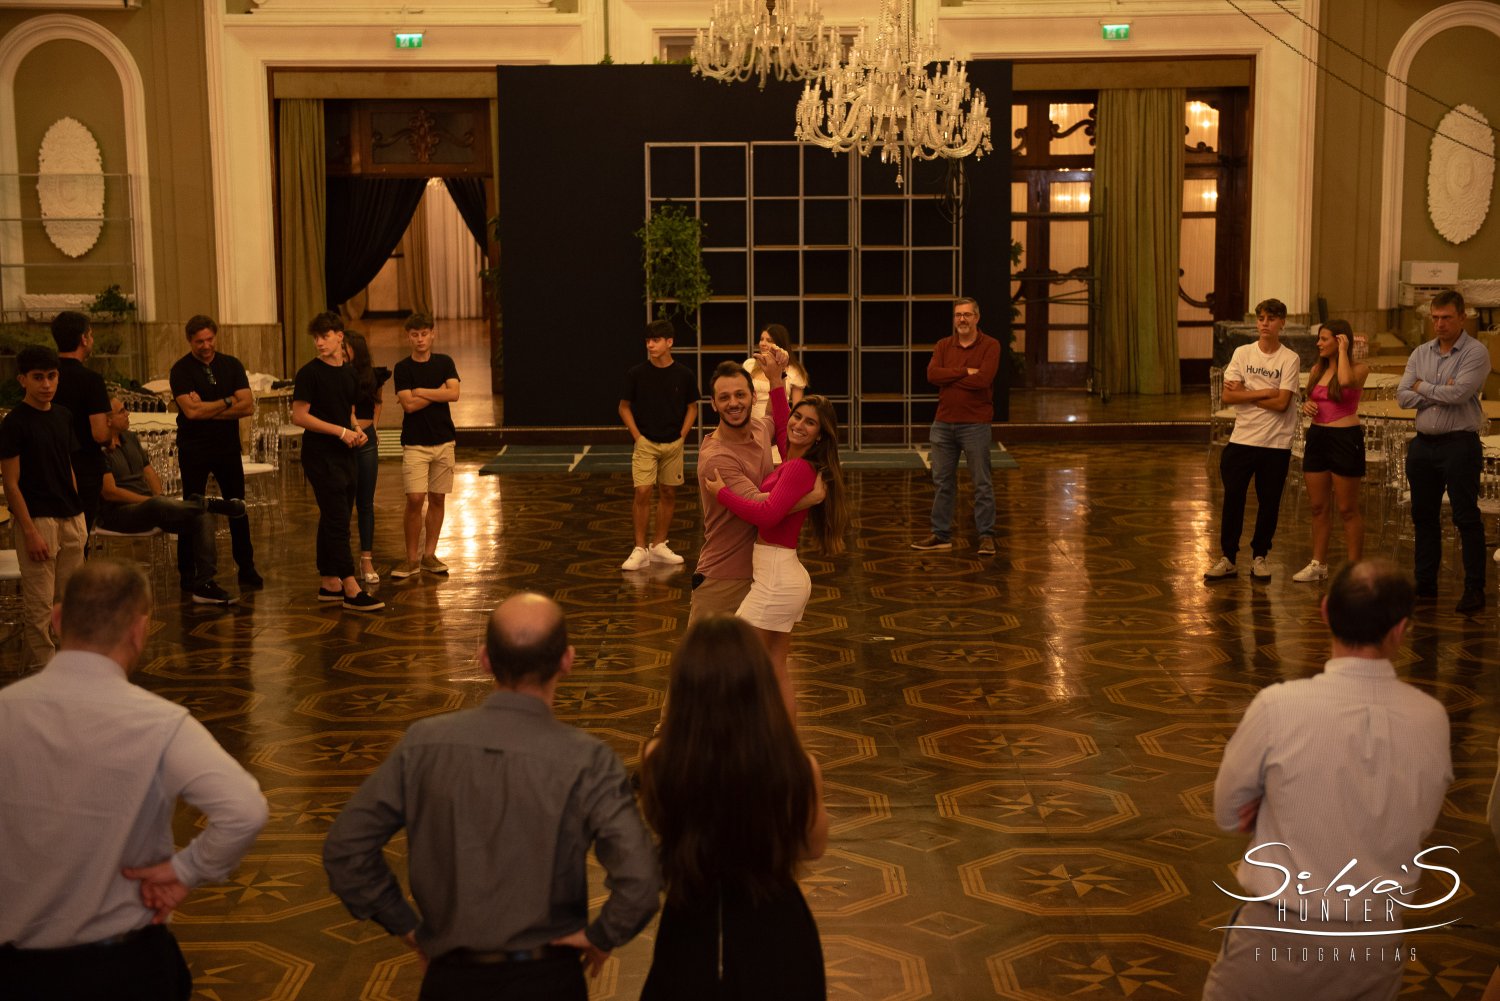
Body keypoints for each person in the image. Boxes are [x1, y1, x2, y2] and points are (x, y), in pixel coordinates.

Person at [323, 592, 660, 1001]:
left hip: (451, 980)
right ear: (567, 661)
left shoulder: (423, 744)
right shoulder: (589, 760)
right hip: (549, 979)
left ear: (484, 659)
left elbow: (347, 848)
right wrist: (602, 935)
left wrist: (407, 927)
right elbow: (640, 880)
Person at [0, 559, 268, 1001]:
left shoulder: (6, 711)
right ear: (140, 630)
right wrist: (186, 871)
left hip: (14, 971)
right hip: (125, 968)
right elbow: (245, 809)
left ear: (58, 619)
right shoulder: (160, 722)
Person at [1203, 559, 1452, 1001]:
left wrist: (1272, 803)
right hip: (1375, 944)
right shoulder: (1431, 719)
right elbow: (1420, 821)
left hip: (1277, 937)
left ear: (1324, 612)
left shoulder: (1279, 706)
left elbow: (1227, 813)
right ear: (1400, 629)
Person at [639, 615, 828, 1001]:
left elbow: (660, 824)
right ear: (759, 684)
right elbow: (812, 847)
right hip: (776, 926)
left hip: (691, 923)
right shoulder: (796, 765)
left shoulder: (658, 759)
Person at [705, 394, 847, 718]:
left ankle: (748, 735)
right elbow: (785, 429)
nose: (799, 425)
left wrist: (722, 494)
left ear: (820, 435)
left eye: (810, 423)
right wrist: (776, 384)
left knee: (735, 655)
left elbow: (768, 515)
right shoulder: (795, 460)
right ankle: (784, 742)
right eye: (798, 416)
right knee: (774, 665)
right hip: (783, 575)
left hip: (777, 581)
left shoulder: (796, 468)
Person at [99, 397, 245, 606]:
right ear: (108, 420)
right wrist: (151, 501)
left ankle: (205, 584)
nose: (128, 413)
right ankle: (206, 502)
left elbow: (149, 472)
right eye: (122, 411)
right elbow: (110, 493)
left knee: (201, 517)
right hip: (118, 513)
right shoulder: (98, 447)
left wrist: (158, 495)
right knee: (159, 504)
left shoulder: (130, 437)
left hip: (150, 507)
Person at [1397, 289, 1489, 614]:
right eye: (1435, 318)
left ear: (1462, 317)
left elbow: (1460, 393)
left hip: (1459, 445)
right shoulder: (1421, 352)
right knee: (1423, 516)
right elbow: (1402, 396)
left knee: (1466, 517)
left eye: (1446, 318)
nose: (1439, 324)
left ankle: (1474, 589)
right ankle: (1425, 583)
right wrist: (1439, 390)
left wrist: (1421, 387)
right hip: (1423, 445)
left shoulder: (1476, 352)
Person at [690, 350, 798, 624]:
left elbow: (776, 418)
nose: (733, 403)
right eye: (724, 397)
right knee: (705, 654)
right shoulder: (717, 458)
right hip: (724, 580)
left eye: (740, 395)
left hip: (763, 574)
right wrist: (812, 494)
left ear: (753, 397)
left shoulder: (759, 430)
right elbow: (763, 507)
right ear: (713, 404)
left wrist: (776, 377)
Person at [0, 344, 87, 668]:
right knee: (39, 608)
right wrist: (29, 531)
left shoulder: (63, 415)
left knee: (72, 603)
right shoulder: (15, 422)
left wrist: (78, 513)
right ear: (23, 379)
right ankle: (45, 674)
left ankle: (72, 667)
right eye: (38, 377)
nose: (46, 384)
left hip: (71, 517)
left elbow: (67, 466)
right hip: (38, 521)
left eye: (52, 376)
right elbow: (11, 483)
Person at [290, 312, 382, 611]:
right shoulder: (309, 373)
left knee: (335, 515)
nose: (319, 342)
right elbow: (299, 416)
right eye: (316, 337)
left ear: (339, 336)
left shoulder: (349, 373)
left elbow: (348, 411)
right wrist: (340, 432)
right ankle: (350, 586)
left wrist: (355, 429)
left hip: (345, 452)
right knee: (338, 519)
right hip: (320, 454)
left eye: (325, 336)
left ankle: (329, 582)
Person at [1205, 297, 1300, 581]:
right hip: (1242, 439)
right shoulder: (1243, 352)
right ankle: (1228, 558)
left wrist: (1247, 394)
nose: (1265, 324)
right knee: (1232, 499)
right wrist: (1266, 391)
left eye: (1271, 319)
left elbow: (1282, 403)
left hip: (1275, 443)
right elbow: (1228, 395)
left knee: (1268, 503)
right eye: (1261, 319)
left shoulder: (1289, 358)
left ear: (1282, 323)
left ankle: (1260, 556)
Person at [169, 314, 262, 589]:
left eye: (210, 339)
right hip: (193, 448)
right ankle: (188, 571)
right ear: (190, 341)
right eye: (200, 341)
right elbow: (191, 412)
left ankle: (246, 567)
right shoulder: (181, 370)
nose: (206, 346)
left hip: (227, 447)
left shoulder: (231, 365)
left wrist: (206, 408)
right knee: (191, 509)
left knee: (237, 506)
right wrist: (228, 400)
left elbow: (247, 406)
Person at [912, 297, 1000, 556]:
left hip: (976, 425)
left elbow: (983, 380)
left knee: (982, 483)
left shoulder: (991, 345)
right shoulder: (943, 345)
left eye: (967, 315)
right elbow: (932, 375)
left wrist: (950, 376)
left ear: (977, 318)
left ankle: (986, 536)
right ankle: (941, 535)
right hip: (943, 424)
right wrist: (964, 371)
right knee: (942, 483)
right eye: (958, 315)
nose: (962, 319)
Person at [1292, 319, 1370, 583]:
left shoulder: (1359, 368)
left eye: (1324, 339)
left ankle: (1354, 570)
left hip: (1345, 439)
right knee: (1317, 506)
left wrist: (1343, 352)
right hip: (1318, 437)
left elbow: (1345, 381)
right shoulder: (1317, 369)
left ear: (1340, 340)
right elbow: (1311, 398)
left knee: (1347, 508)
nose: (1318, 344)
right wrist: (1307, 405)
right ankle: (1318, 564)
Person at [619, 318, 699, 571]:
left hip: (673, 443)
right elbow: (623, 407)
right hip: (646, 442)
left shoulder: (684, 374)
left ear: (669, 342)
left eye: (655, 340)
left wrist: (682, 436)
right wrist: (638, 437)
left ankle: (659, 545)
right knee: (642, 491)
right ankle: (639, 548)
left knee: (668, 492)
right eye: (647, 341)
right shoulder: (636, 374)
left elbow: (692, 407)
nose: (650, 345)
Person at [391, 313, 460, 579]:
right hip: (415, 443)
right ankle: (411, 559)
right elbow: (408, 406)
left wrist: (421, 391)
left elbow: (454, 393)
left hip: (444, 440)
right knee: (415, 499)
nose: (420, 339)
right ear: (408, 337)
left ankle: (429, 555)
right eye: (415, 335)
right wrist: (438, 392)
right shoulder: (402, 368)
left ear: (433, 334)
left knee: (438, 498)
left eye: (424, 334)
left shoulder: (445, 362)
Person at [48, 310, 111, 532]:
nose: (92, 339)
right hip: (84, 469)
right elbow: (100, 434)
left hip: (51, 466)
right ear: (84, 339)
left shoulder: (46, 378)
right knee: (79, 536)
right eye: (90, 334)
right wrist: (113, 432)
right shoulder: (91, 380)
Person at [343, 330, 390, 584]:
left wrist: (374, 427)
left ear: (356, 349)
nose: (341, 351)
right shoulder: (338, 373)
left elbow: (378, 402)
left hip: (367, 439)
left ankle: (366, 559)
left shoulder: (373, 375)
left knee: (365, 502)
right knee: (342, 503)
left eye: (345, 347)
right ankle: (342, 563)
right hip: (343, 438)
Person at [744, 323, 808, 419]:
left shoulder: (794, 371)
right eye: (761, 339)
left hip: (779, 420)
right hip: (751, 422)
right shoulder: (749, 365)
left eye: (769, 340)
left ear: (780, 344)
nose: (763, 343)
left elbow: (797, 409)